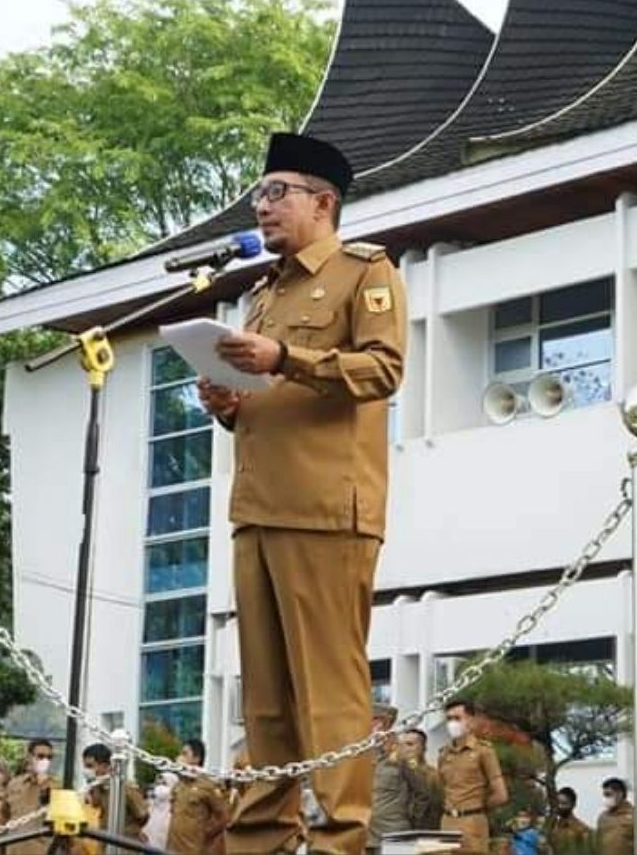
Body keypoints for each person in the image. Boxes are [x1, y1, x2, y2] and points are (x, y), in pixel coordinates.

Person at [201, 131, 407, 855]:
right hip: (256, 508)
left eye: (276, 193)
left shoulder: (364, 272)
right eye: (260, 194)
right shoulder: (263, 291)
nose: (263, 207)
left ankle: (336, 842)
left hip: (327, 511)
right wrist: (231, 402)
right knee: (265, 702)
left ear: (324, 202)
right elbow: (270, 391)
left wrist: (285, 356)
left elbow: (383, 370)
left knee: (329, 694)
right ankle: (259, 841)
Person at [437, 699, 508, 854]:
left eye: (457, 718)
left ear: (470, 720)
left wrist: (477, 806)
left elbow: (501, 795)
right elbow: (443, 787)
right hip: (447, 821)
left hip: (472, 823)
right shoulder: (444, 754)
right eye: (449, 719)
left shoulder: (483, 751)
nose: (452, 723)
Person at [367, 706, 429, 854]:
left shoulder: (402, 755)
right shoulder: (364, 754)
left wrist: (411, 821)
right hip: (367, 835)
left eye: (376, 721)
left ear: (386, 724)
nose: (372, 726)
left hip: (394, 833)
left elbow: (422, 793)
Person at [166, 740, 227, 855]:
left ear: (196, 758)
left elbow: (223, 817)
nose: (180, 757)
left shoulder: (207, 786)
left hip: (194, 849)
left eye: (185, 754)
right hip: (172, 848)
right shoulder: (179, 785)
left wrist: (205, 834)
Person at [80, 743, 148, 841]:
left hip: (126, 844)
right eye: (85, 766)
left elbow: (143, 815)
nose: (87, 770)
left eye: (90, 766)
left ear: (104, 765)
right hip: (106, 842)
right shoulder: (99, 786)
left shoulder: (125, 787)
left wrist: (130, 830)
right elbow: (95, 804)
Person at [2, 739, 59, 855]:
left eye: (49, 758)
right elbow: (5, 812)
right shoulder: (15, 783)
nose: (45, 761)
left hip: (39, 850)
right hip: (13, 848)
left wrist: (44, 784)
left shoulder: (55, 786)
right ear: (29, 757)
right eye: (41, 756)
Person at [397, 729, 441, 831]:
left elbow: (437, 806)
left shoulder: (433, 775)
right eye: (401, 745)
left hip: (425, 830)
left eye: (410, 744)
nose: (405, 749)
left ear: (423, 748)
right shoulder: (394, 774)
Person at [545, 787, 592, 855]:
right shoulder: (553, 826)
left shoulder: (581, 830)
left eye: (564, 803)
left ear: (573, 805)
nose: (560, 806)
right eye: (558, 803)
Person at [142, 773, 175, 852]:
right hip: (148, 843)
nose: (160, 787)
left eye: (164, 784)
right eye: (158, 783)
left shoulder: (173, 809)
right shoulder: (152, 804)